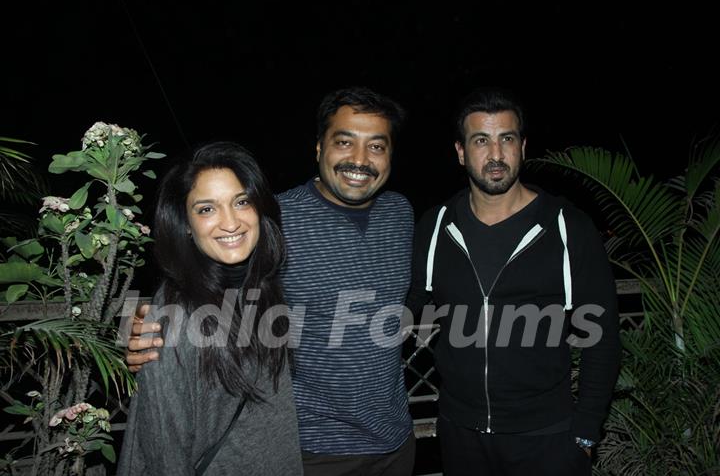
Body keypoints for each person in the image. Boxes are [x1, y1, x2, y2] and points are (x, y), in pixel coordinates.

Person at [126, 87, 416, 475]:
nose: (359, 160)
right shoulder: (274, 219)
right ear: (318, 148)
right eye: (344, 142)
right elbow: (208, 274)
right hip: (311, 451)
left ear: (391, 155)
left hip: (397, 442)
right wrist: (151, 322)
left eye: (376, 146)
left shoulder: (400, 215)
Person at [406, 87, 621, 475]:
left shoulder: (567, 227)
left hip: (547, 437)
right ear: (460, 151)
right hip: (461, 435)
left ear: (523, 147)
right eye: (481, 141)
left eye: (506, 139)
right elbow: (405, 309)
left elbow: (602, 338)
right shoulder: (435, 227)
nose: (495, 155)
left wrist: (586, 433)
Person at [117, 142, 302, 475]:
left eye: (241, 202)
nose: (230, 223)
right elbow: (163, 448)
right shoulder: (172, 318)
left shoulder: (265, 290)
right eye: (207, 209)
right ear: (185, 223)